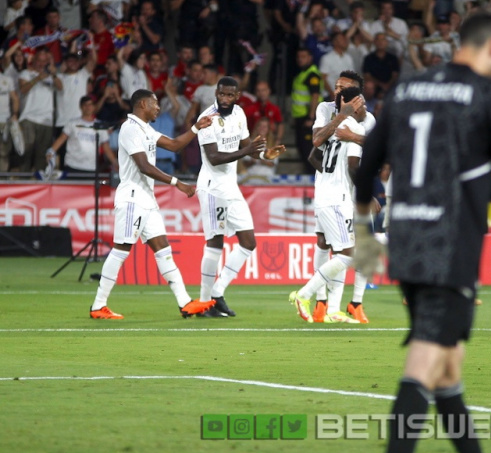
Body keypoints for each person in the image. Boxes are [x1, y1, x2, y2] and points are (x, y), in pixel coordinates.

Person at [352, 12, 491, 453]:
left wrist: (365, 246)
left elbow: (367, 170)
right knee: (425, 365)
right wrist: (470, 192)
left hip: (406, 237)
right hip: (452, 247)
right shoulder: (490, 94)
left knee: (448, 369)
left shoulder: (406, 89)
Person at [90, 89, 217, 320]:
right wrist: (177, 182)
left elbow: (175, 144)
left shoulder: (145, 129)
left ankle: (185, 303)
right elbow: (144, 166)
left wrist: (197, 127)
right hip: (131, 198)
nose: (159, 107)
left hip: (147, 200)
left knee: (164, 249)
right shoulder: (129, 129)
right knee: (121, 249)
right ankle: (98, 305)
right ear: (142, 104)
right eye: (155, 103)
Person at [196, 76, 285, 317]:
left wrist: (266, 155)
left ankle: (217, 292)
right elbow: (214, 158)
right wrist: (245, 151)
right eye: (221, 94)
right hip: (213, 187)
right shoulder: (206, 118)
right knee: (215, 243)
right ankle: (205, 302)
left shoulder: (240, 114)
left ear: (237, 97)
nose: (224, 99)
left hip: (230, 188)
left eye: (229, 95)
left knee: (248, 243)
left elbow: (249, 147)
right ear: (216, 93)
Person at [289, 87, 368, 324]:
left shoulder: (332, 129)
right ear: (351, 104)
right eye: (361, 103)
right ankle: (303, 295)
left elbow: (313, 155)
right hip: (338, 200)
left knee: (339, 250)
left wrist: (329, 177)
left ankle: (333, 309)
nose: (364, 107)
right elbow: (353, 166)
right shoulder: (354, 127)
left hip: (324, 197)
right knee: (347, 254)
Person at [311, 70, 377, 323]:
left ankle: (356, 303)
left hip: (354, 189)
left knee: (359, 246)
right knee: (325, 243)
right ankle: (321, 300)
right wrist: (330, 175)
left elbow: (371, 147)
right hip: (332, 190)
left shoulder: (367, 118)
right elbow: (316, 146)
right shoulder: (324, 109)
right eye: (337, 86)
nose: (337, 91)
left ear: (357, 96)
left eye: (344, 88)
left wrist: (350, 134)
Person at [46, 96, 117, 178]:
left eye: (90, 105)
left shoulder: (100, 126)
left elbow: (106, 147)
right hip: (72, 165)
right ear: (80, 107)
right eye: (85, 105)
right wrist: (51, 151)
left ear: (94, 107)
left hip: (91, 167)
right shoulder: (72, 123)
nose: (88, 107)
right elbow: (61, 139)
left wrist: (114, 162)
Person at [291, 47, 323, 171]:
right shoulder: (302, 73)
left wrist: (311, 117)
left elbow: (315, 95)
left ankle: (312, 175)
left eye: (303, 57)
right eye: (298, 57)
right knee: (301, 147)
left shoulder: (312, 74)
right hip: (300, 117)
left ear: (310, 58)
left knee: (308, 149)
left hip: (308, 118)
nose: (300, 59)